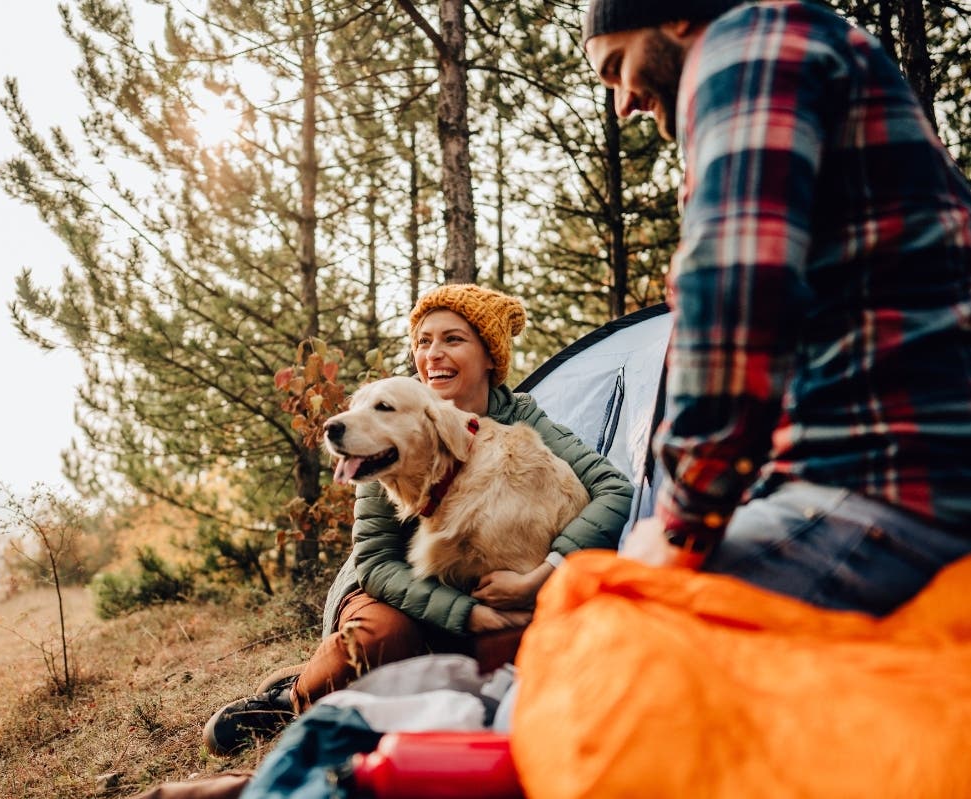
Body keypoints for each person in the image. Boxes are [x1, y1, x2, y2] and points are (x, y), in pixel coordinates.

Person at [583, 0, 971, 613]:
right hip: (893, 475)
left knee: (606, 616)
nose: (622, 104)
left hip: (888, 487)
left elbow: (736, 287)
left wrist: (683, 522)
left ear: (677, 16)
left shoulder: (748, 43)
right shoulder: (799, 52)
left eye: (615, 67)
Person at [202, 283, 634, 756]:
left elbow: (615, 491)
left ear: (489, 356)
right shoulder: (386, 421)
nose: (434, 354)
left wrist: (542, 574)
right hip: (399, 591)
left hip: (497, 590)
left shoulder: (524, 420)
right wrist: (466, 614)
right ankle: (292, 701)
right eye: (423, 341)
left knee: (517, 660)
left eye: (453, 339)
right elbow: (376, 560)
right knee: (382, 639)